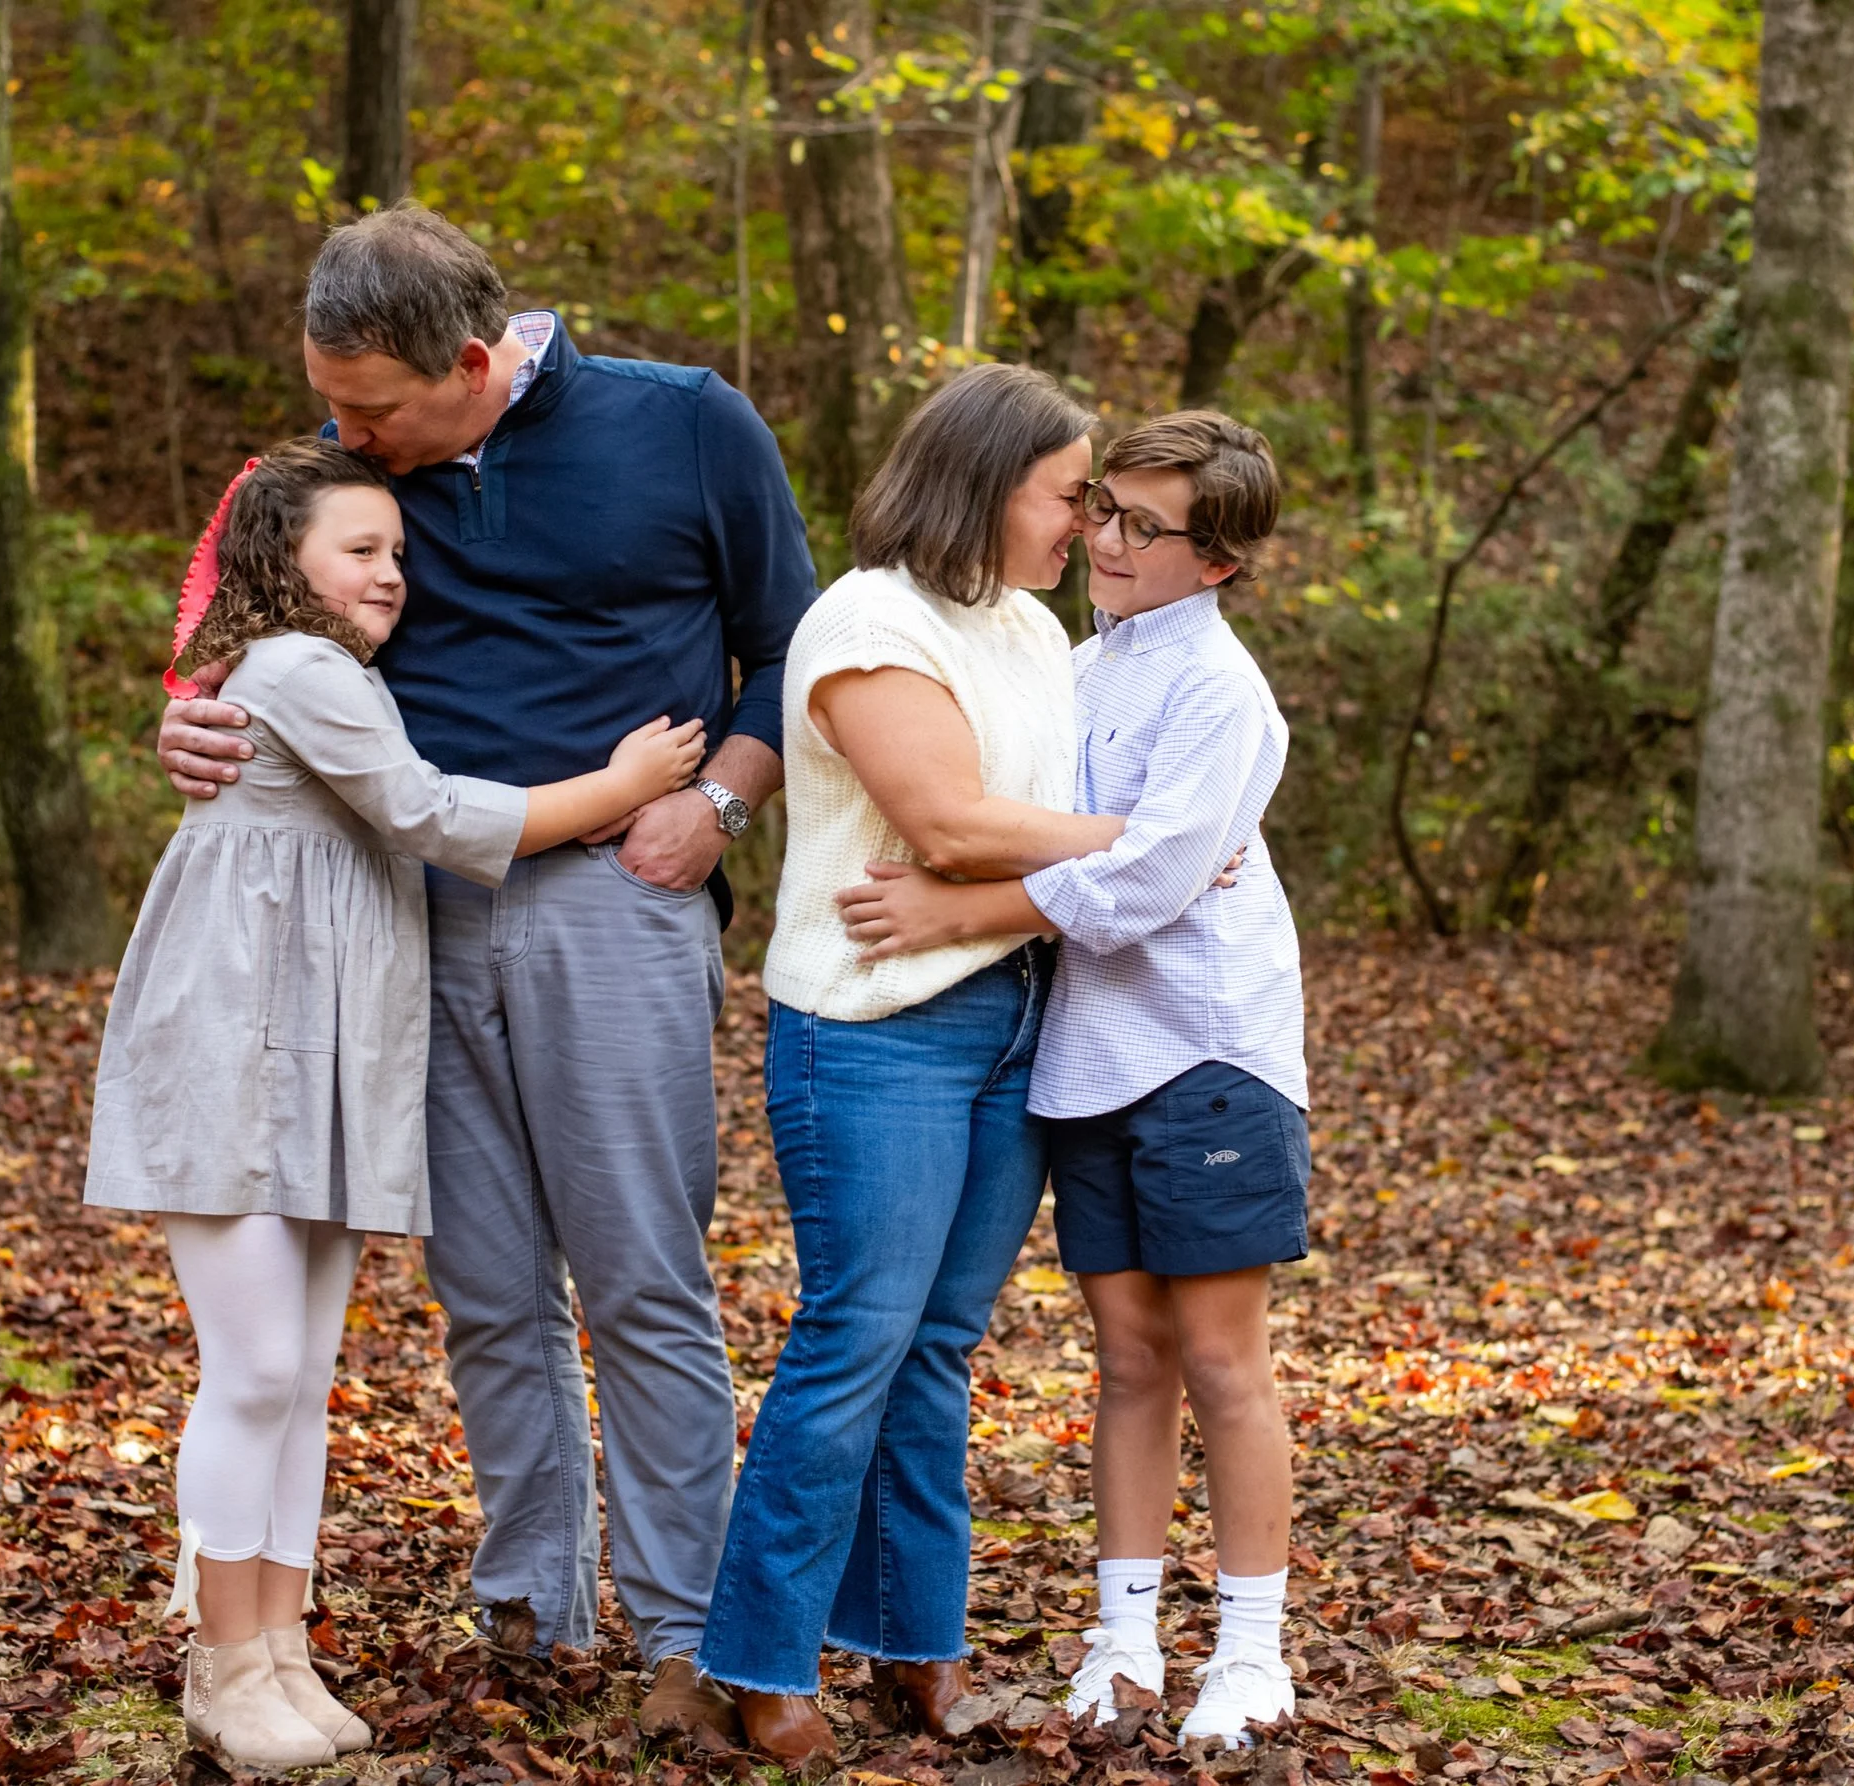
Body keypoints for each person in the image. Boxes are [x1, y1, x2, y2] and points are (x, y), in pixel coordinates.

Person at [152, 204, 816, 1739]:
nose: (344, 429)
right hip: (411, 911)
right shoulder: (330, 480)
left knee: (642, 1272)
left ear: (471, 360)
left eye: (373, 405)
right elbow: (224, 629)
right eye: (330, 399)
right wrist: (179, 718)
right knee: (486, 1284)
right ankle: (531, 1601)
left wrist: (718, 802)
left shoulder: (689, 426)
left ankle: (681, 1626)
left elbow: (791, 646)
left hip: (617, 897)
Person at [83, 439, 707, 1775]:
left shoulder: (334, 674)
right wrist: (625, 783)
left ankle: (277, 1645)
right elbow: (427, 812)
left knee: (300, 1376)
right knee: (255, 1369)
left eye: (399, 553)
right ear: (280, 559)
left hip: (311, 1058)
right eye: (359, 550)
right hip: (238, 1059)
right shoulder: (302, 671)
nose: (390, 575)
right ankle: (222, 1657)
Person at [834, 411, 1309, 1749]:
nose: (1106, 538)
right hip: (1088, 1060)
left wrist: (957, 912)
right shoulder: (1076, 663)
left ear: (1216, 558)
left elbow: (1155, 882)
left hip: (1209, 1052)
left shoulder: (1222, 691)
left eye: (1145, 527)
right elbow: (1056, 829)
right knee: (1130, 1359)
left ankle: (1254, 1649)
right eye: (1104, 507)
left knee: (1222, 1357)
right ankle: (1125, 1641)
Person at [696, 364, 1141, 1760]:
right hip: (876, 1031)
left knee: (939, 1349)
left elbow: (1016, 842)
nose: (1088, 524)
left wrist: (1085, 850)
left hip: (1018, 1012)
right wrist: (1156, 839)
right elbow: (947, 819)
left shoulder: (1022, 625)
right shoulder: (866, 620)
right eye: (1071, 495)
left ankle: (914, 1645)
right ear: (986, 479)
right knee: (856, 1339)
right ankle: (762, 1657)